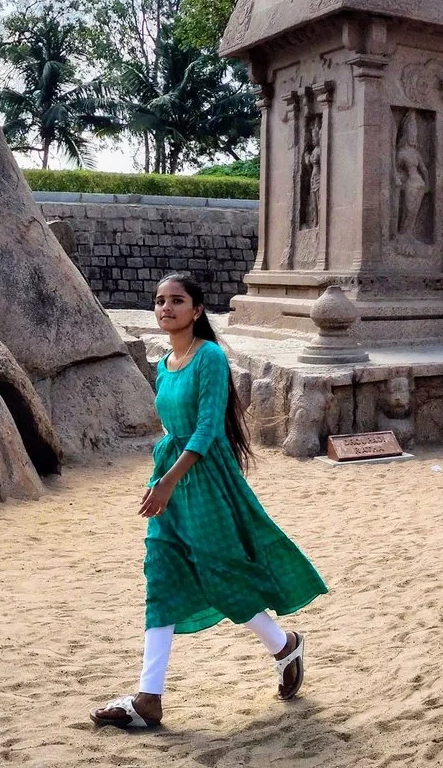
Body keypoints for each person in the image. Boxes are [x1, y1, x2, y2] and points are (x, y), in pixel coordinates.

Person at [92, 274, 329, 730]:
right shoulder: (164, 363)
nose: (166, 308)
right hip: (170, 475)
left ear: (197, 309)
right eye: (160, 301)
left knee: (221, 575)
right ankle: (148, 699)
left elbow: (206, 430)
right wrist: (161, 478)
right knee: (160, 577)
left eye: (176, 301)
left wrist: (168, 482)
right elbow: (172, 429)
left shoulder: (211, 358)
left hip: (205, 479)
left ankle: (284, 645)